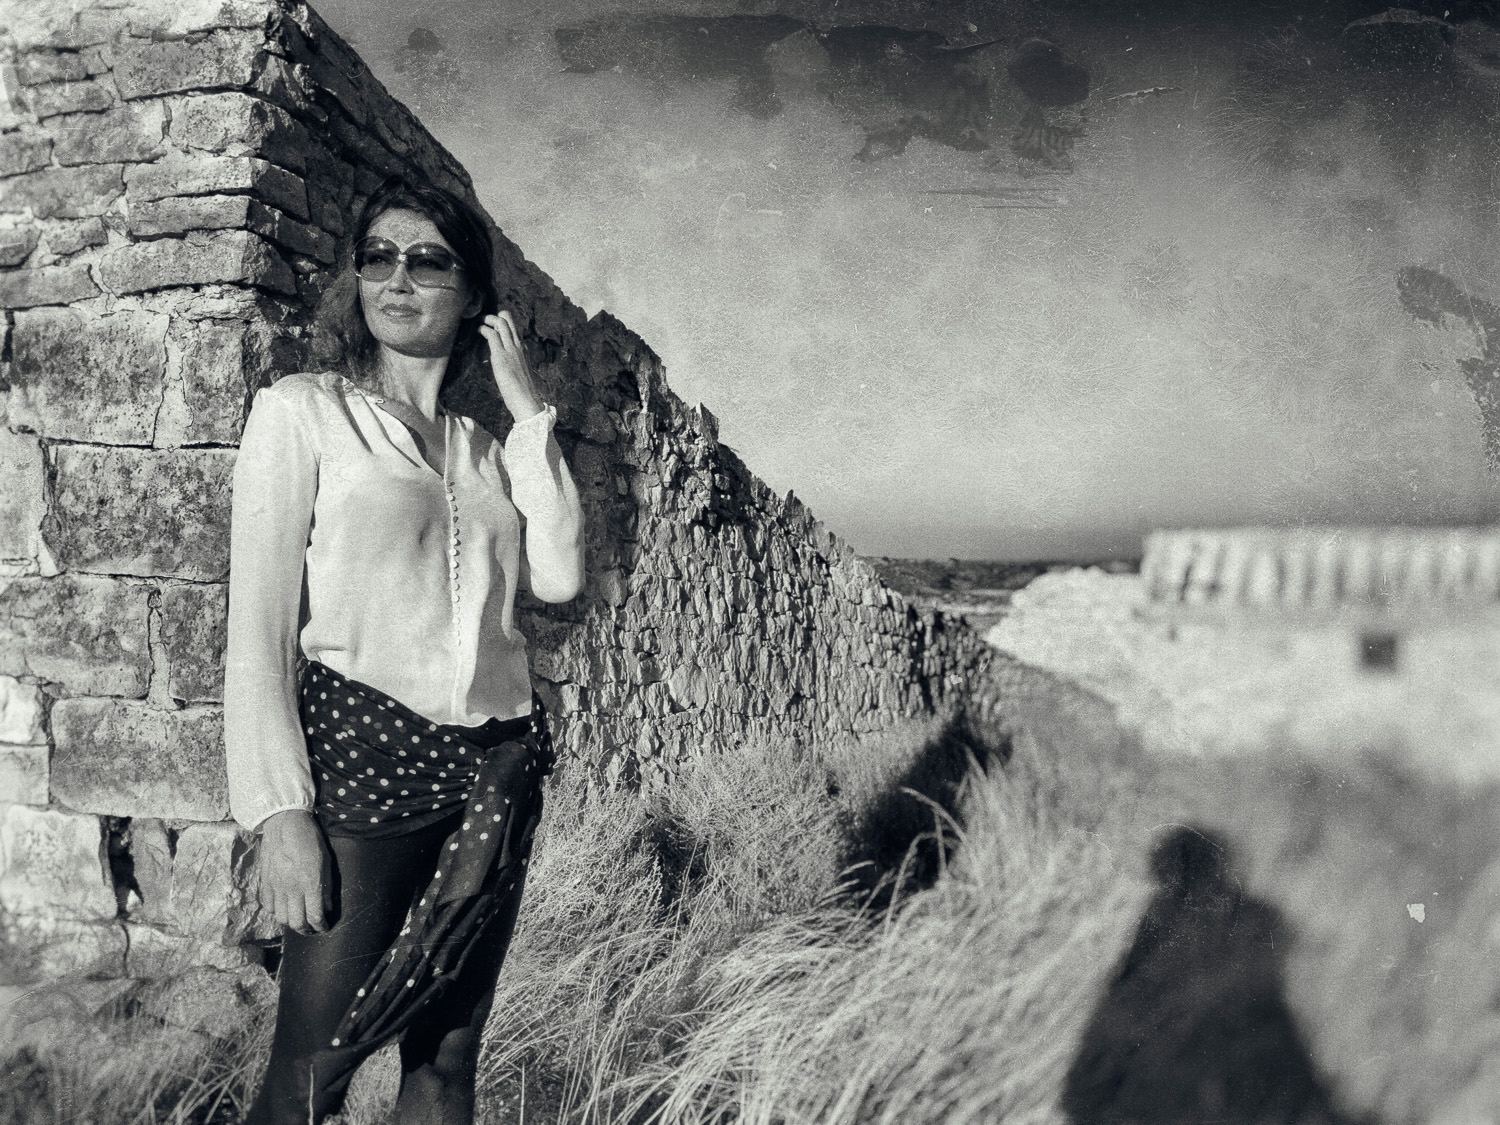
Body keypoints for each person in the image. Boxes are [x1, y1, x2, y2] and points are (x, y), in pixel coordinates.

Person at [225, 175, 586, 1125]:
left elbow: (558, 577)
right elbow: (257, 630)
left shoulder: (487, 450)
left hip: (492, 777)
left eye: (428, 261)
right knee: (310, 1080)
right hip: (362, 779)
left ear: (471, 297)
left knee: (447, 1062)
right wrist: (279, 811)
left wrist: (528, 414)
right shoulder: (304, 412)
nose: (397, 278)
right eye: (378, 256)